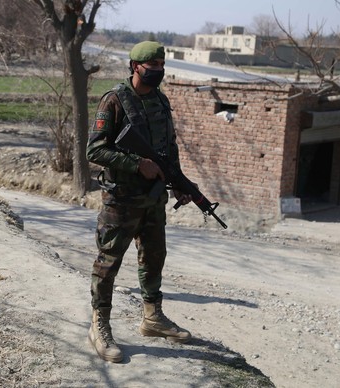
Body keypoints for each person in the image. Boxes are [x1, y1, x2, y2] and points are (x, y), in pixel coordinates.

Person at [86, 41, 193, 363]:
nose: (157, 72)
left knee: (154, 256)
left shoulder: (161, 101)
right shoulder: (115, 100)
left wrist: (179, 183)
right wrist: (137, 165)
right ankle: (99, 324)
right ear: (135, 66)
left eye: (161, 67)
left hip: (153, 199)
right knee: (109, 262)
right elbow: (95, 151)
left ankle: (152, 317)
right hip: (121, 200)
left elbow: (169, 148)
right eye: (152, 67)